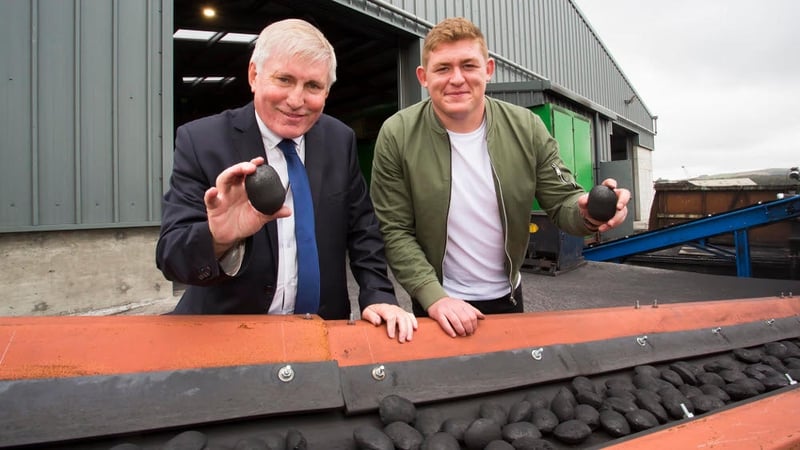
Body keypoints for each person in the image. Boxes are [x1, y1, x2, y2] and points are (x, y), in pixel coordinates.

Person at [156, 18, 417, 342]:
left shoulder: (340, 139)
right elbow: (170, 256)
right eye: (284, 79)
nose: (296, 100)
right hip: (228, 336)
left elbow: (363, 227)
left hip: (322, 332)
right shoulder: (201, 141)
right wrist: (217, 238)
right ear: (254, 75)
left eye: (313, 86)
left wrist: (378, 294)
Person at [370, 17, 630, 338]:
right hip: (438, 303)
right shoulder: (397, 134)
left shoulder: (527, 127)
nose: (457, 79)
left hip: (507, 297)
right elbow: (395, 230)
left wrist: (587, 212)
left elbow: (563, 202)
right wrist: (434, 297)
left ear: (488, 70)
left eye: (469, 65)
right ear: (423, 77)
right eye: (442, 68)